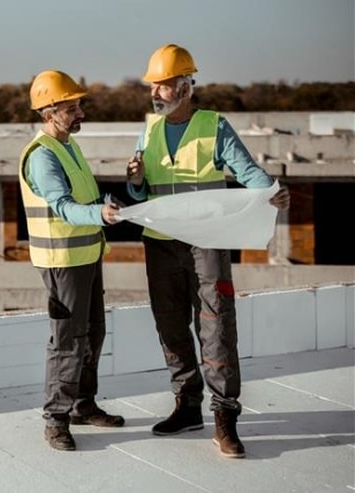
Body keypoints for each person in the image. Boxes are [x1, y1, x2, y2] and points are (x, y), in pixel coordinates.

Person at [125, 44, 291, 459]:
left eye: (164, 85)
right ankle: (187, 405)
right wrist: (135, 180)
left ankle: (224, 417)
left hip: (207, 243)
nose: (156, 93)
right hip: (161, 243)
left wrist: (271, 192)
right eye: (154, 86)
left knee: (216, 326)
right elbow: (140, 190)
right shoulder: (148, 129)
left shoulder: (214, 126)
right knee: (170, 324)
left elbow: (247, 170)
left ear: (186, 86)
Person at [19, 70, 126, 452]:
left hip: (87, 256)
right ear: (49, 112)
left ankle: (83, 404)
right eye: (72, 106)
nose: (80, 111)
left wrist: (111, 202)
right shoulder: (42, 156)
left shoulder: (68, 146)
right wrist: (101, 215)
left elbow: (85, 197)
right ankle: (56, 419)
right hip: (62, 262)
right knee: (67, 341)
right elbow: (65, 208)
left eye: (79, 104)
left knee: (93, 333)